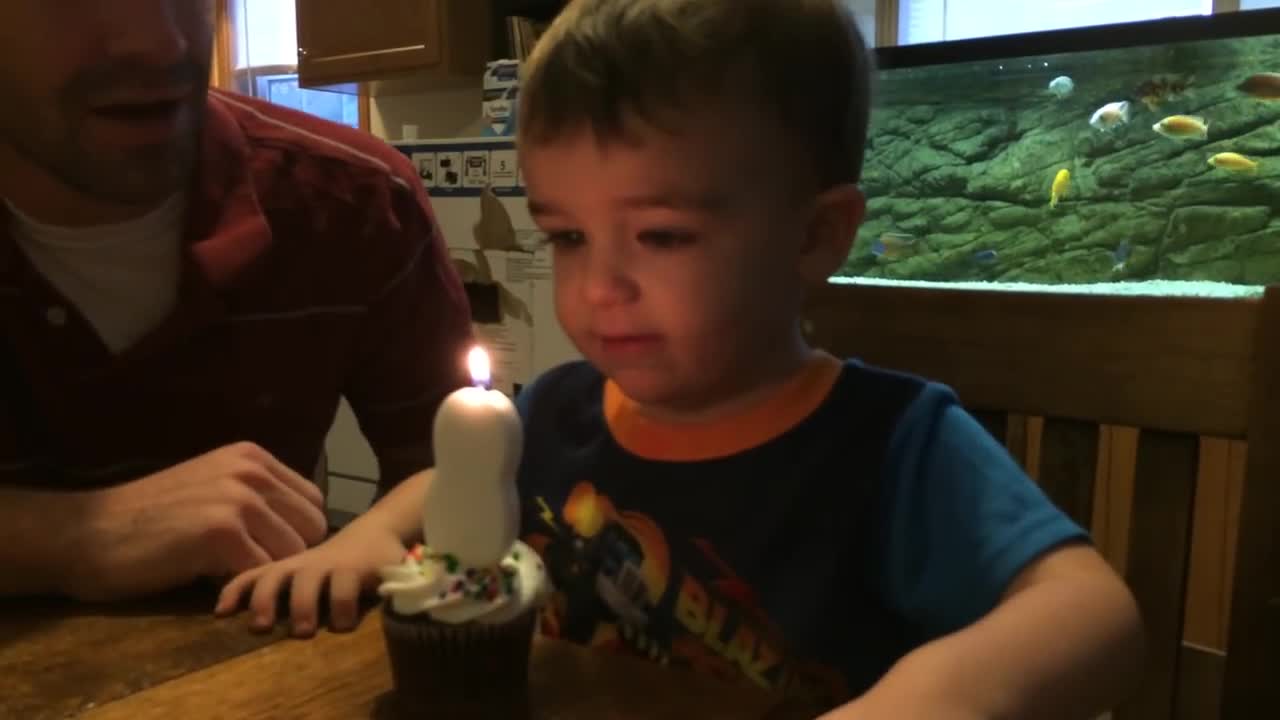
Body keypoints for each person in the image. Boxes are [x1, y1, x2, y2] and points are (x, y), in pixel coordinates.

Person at [220, 0, 1144, 716]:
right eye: (570, 236)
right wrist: (361, 541)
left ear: (816, 235)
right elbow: (453, 480)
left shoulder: (889, 446)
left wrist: (939, 697)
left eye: (661, 236)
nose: (598, 288)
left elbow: (1095, 614)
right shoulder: (559, 410)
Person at [0, 1, 472, 603]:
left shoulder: (359, 200)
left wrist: (372, 539)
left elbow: (454, 465)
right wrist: (75, 538)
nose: (159, 43)